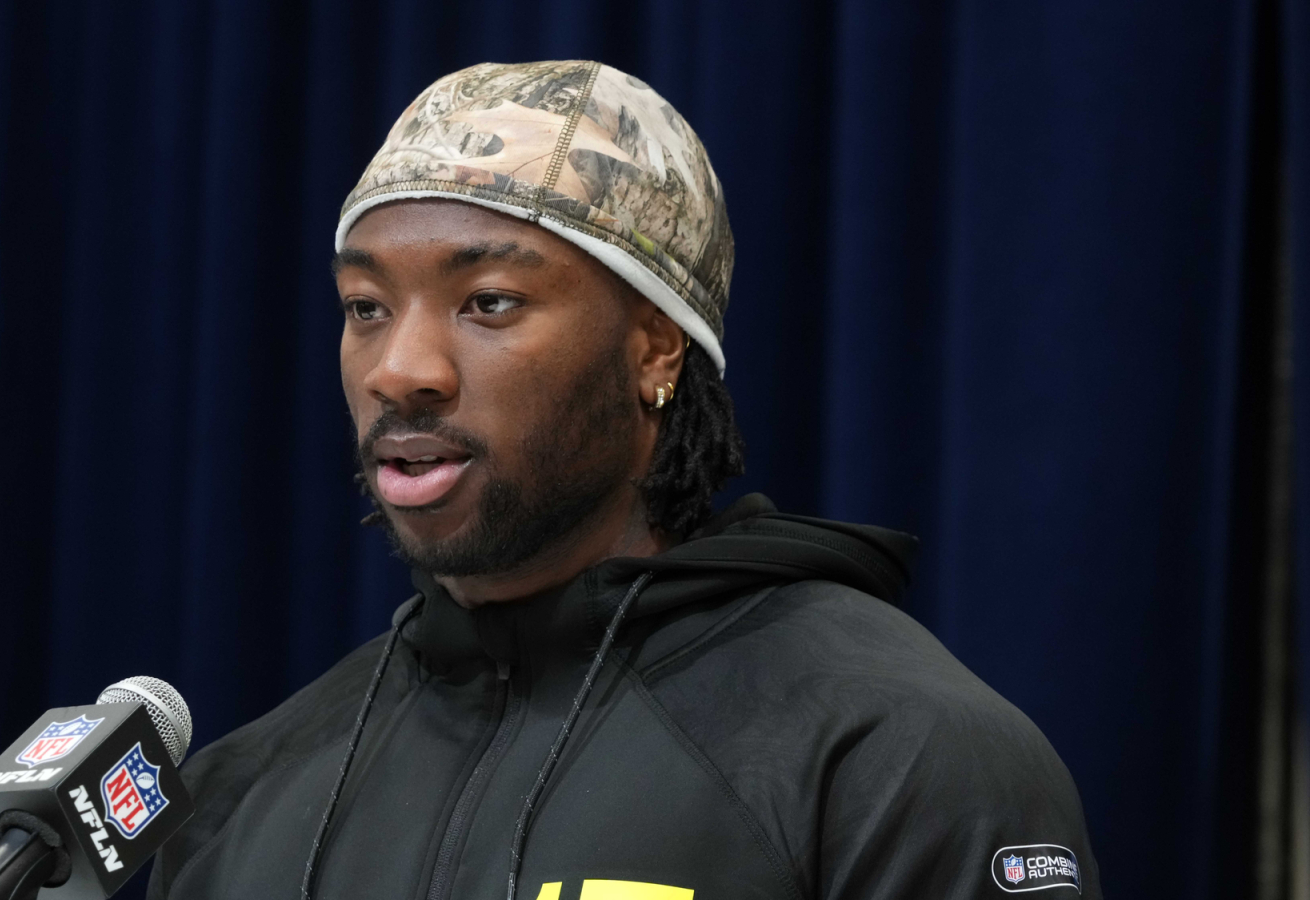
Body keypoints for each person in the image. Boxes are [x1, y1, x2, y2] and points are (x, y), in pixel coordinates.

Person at [148, 60, 1101, 900]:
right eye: (365, 308)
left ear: (655, 351)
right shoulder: (241, 793)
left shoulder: (891, 751)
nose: (400, 371)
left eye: (489, 302)